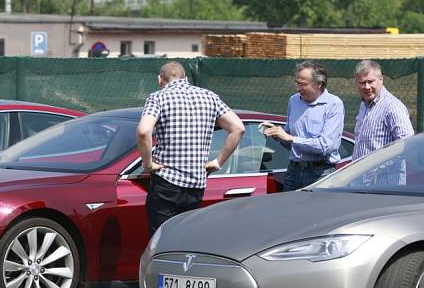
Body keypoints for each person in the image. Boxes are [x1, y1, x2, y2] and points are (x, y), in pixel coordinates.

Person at [136, 61, 245, 236]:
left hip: (166, 182)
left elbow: (143, 131)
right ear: (185, 78)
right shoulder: (210, 97)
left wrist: (148, 164)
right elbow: (238, 128)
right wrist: (217, 162)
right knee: (184, 240)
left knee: (161, 241)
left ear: (160, 80)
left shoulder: (158, 97)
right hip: (196, 184)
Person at [261, 61, 344, 191]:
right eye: (297, 83)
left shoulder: (333, 104)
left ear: (319, 84)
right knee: (289, 210)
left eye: (303, 84)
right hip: (294, 169)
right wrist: (276, 134)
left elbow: (325, 146)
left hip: (320, 172)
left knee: (316, 211)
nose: (298, 88)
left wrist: (290, 138)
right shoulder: (293, 101)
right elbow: (290, 143)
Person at [352, 60, 414, 160]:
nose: (367, 87)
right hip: (362, 174)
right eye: (362, 83)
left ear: (381, 79)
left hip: (384, 175)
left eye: (371, 81)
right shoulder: (364, 105)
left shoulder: (393, 107)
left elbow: (407, 142)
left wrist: (382, 166)